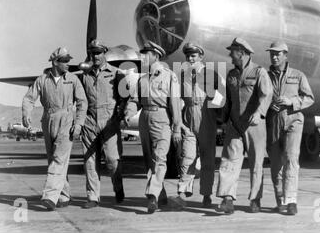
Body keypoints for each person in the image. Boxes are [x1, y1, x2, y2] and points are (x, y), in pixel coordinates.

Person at [22, 47, 87, 211]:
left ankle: (50, 196)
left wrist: (78, 123)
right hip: (48, 120)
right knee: (54, 159)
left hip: (66, 120)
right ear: (55, 62)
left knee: (58, 159)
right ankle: (64, 196)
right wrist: (26, 114)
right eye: (64, 61)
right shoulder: (42, 80)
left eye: (68, 61)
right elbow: (29, 98)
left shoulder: (73, 80)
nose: (68, 64)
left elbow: (82, 103)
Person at [124, 41, 182, 214]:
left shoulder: (169, 76)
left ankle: (152, 196)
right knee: (150, 160)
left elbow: (175, 104)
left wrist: (177, 127)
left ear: (156, 56)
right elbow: (135, 100)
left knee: (160, 158)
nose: (143, 57)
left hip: (162, 118)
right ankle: (161, 194)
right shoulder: (142, 79)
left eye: (146, 54)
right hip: (145, 118)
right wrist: (129, 112)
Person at [216, 37, 272, 214]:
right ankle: (227, 199)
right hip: (235, 125)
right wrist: (223, 120)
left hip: (254, 125)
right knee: (229, 161)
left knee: (256, 163)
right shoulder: (232, 74)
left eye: (232, 52)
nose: (230, 55)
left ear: (241, 53)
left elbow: (266, 94)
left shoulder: (259, 72)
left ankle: (255, 199)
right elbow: (229, 101)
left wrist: (259, 112)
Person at [170, 42, 223, 209]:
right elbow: (177, 100)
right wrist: (179, 124)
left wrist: (216, 117)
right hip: (189, 120)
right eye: (188, 56)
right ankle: (182, 195)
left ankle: (206, 195)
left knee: (207, 161)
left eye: (193, 55)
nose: (190, 58)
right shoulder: (182, 75)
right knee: (187, 158)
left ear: (201, 57)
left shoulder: (211, 75)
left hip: (206, 119)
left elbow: (221, 98)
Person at [266, 41, 314, 215]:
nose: (274, 56)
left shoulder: (298, 75)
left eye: (278, 53)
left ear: (286, 55)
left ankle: (291, 200)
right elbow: (259, 97)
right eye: (272, 53)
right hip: (273, 120)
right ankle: (281, 201)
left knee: (291, 158)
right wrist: (269, 105)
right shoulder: (265, 76)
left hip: (293, 119)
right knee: (276, 163)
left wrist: (291, 102)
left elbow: (309, 98)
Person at [80, 39, 128, 208]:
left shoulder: (117, 73)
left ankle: (118, 187)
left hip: (110, 122)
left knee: (112, 160)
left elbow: (126, 97)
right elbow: (79, 99)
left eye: (98, 52)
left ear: (104, 53)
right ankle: (93, 197)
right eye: (92, 53)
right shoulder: (84, 76)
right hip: (90, 121)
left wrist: (121, 114)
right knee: (90, 161)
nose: (95, 56)